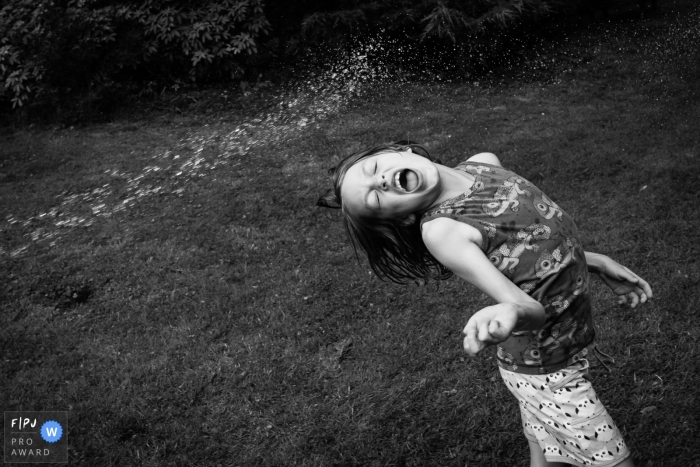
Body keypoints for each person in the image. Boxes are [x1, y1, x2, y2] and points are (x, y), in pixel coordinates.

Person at [316, 141, 652, 467]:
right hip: (544, 368)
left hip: (564, 344)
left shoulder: (484, 163)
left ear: (399, 150)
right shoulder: (444, 231)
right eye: (375, 198)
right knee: (613, 460)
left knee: (548, 453)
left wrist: (596, 260)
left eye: (374, 168)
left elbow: (537, 240)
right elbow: (531, 311)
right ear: (402, 219)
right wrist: (511, 310)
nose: (381, 180)